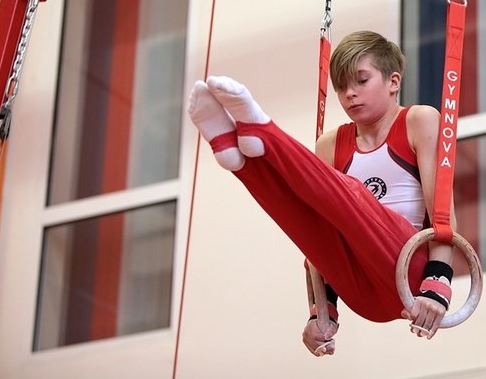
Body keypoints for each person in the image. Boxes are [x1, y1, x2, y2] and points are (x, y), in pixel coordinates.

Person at [187, 30, 456, 356]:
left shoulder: (419, 121)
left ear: (393, 82)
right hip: (361, 294)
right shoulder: (330, 144)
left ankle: (265, 134)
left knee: (352, 195)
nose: (350, 94)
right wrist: (321, 311)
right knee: (305, 217)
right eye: (341, 87)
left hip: (408, 272)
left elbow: (442, 213)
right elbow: (317, 239)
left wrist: (438, 284)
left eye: (361, 81)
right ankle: (243, 163)